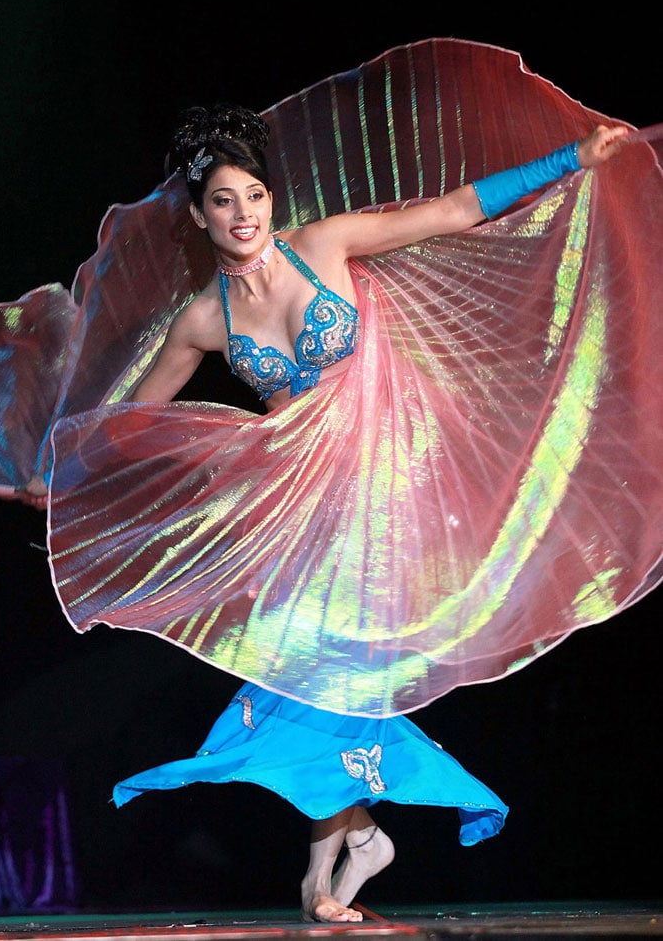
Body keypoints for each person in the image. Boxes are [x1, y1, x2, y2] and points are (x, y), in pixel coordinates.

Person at [50, 103, 624, 923]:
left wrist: (570, 156)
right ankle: (344, 846)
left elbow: (454, 209)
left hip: (385, 490)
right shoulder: (205, 319)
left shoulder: (323, 246)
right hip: (299, 509)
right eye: (223, 199)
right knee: (305, 680)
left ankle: (340, 850)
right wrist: (60, 471)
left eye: (254, 195)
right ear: (198, 212)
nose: (244, 214)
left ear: (272, 200)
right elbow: (137, 423)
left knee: (326, 675)